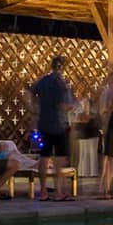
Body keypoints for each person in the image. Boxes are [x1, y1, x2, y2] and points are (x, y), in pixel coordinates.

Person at [30, 56, 74, 201]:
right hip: (59, 125)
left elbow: (29, 93)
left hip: (44, 123)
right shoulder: (62, 84)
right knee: (60, 159)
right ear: (62, 67)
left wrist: (34, 109)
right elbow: (62, 105)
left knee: (44, 157)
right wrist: (72, 106)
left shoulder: (42, 81)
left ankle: (43, 191)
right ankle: (58, 191)